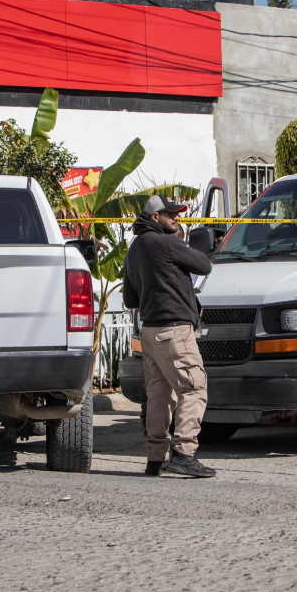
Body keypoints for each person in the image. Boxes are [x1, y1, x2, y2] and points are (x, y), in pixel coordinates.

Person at [122, 194, 215, 478]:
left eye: (178, 213)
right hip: (174, 330)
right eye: (171, 214)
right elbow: (204, 265)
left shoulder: (134, 250)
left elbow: (129, 299)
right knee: (193, 387)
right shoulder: (167, 242)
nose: (177, 218)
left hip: (149, 332)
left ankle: (155, 460)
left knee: (159, 396)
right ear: (155, 217)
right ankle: (184, 453)